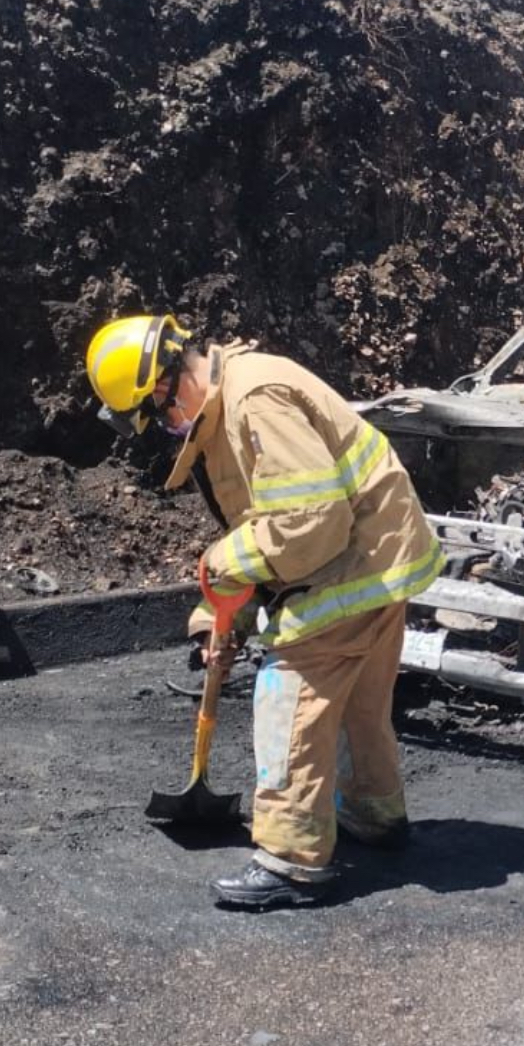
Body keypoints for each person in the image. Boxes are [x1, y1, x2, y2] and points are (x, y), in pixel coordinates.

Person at [84, 313, 441, 910]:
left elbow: (309, 526)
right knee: (357, 706)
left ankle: (292, 860)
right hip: (380, 559)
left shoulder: (256, 402)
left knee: (288, 696)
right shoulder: (237, 400)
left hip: (349, 567)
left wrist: (222, 561)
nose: (170, 428)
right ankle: (374, 816)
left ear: (171, 383)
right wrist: (221, 616)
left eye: (161, 414)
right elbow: (273, 526)